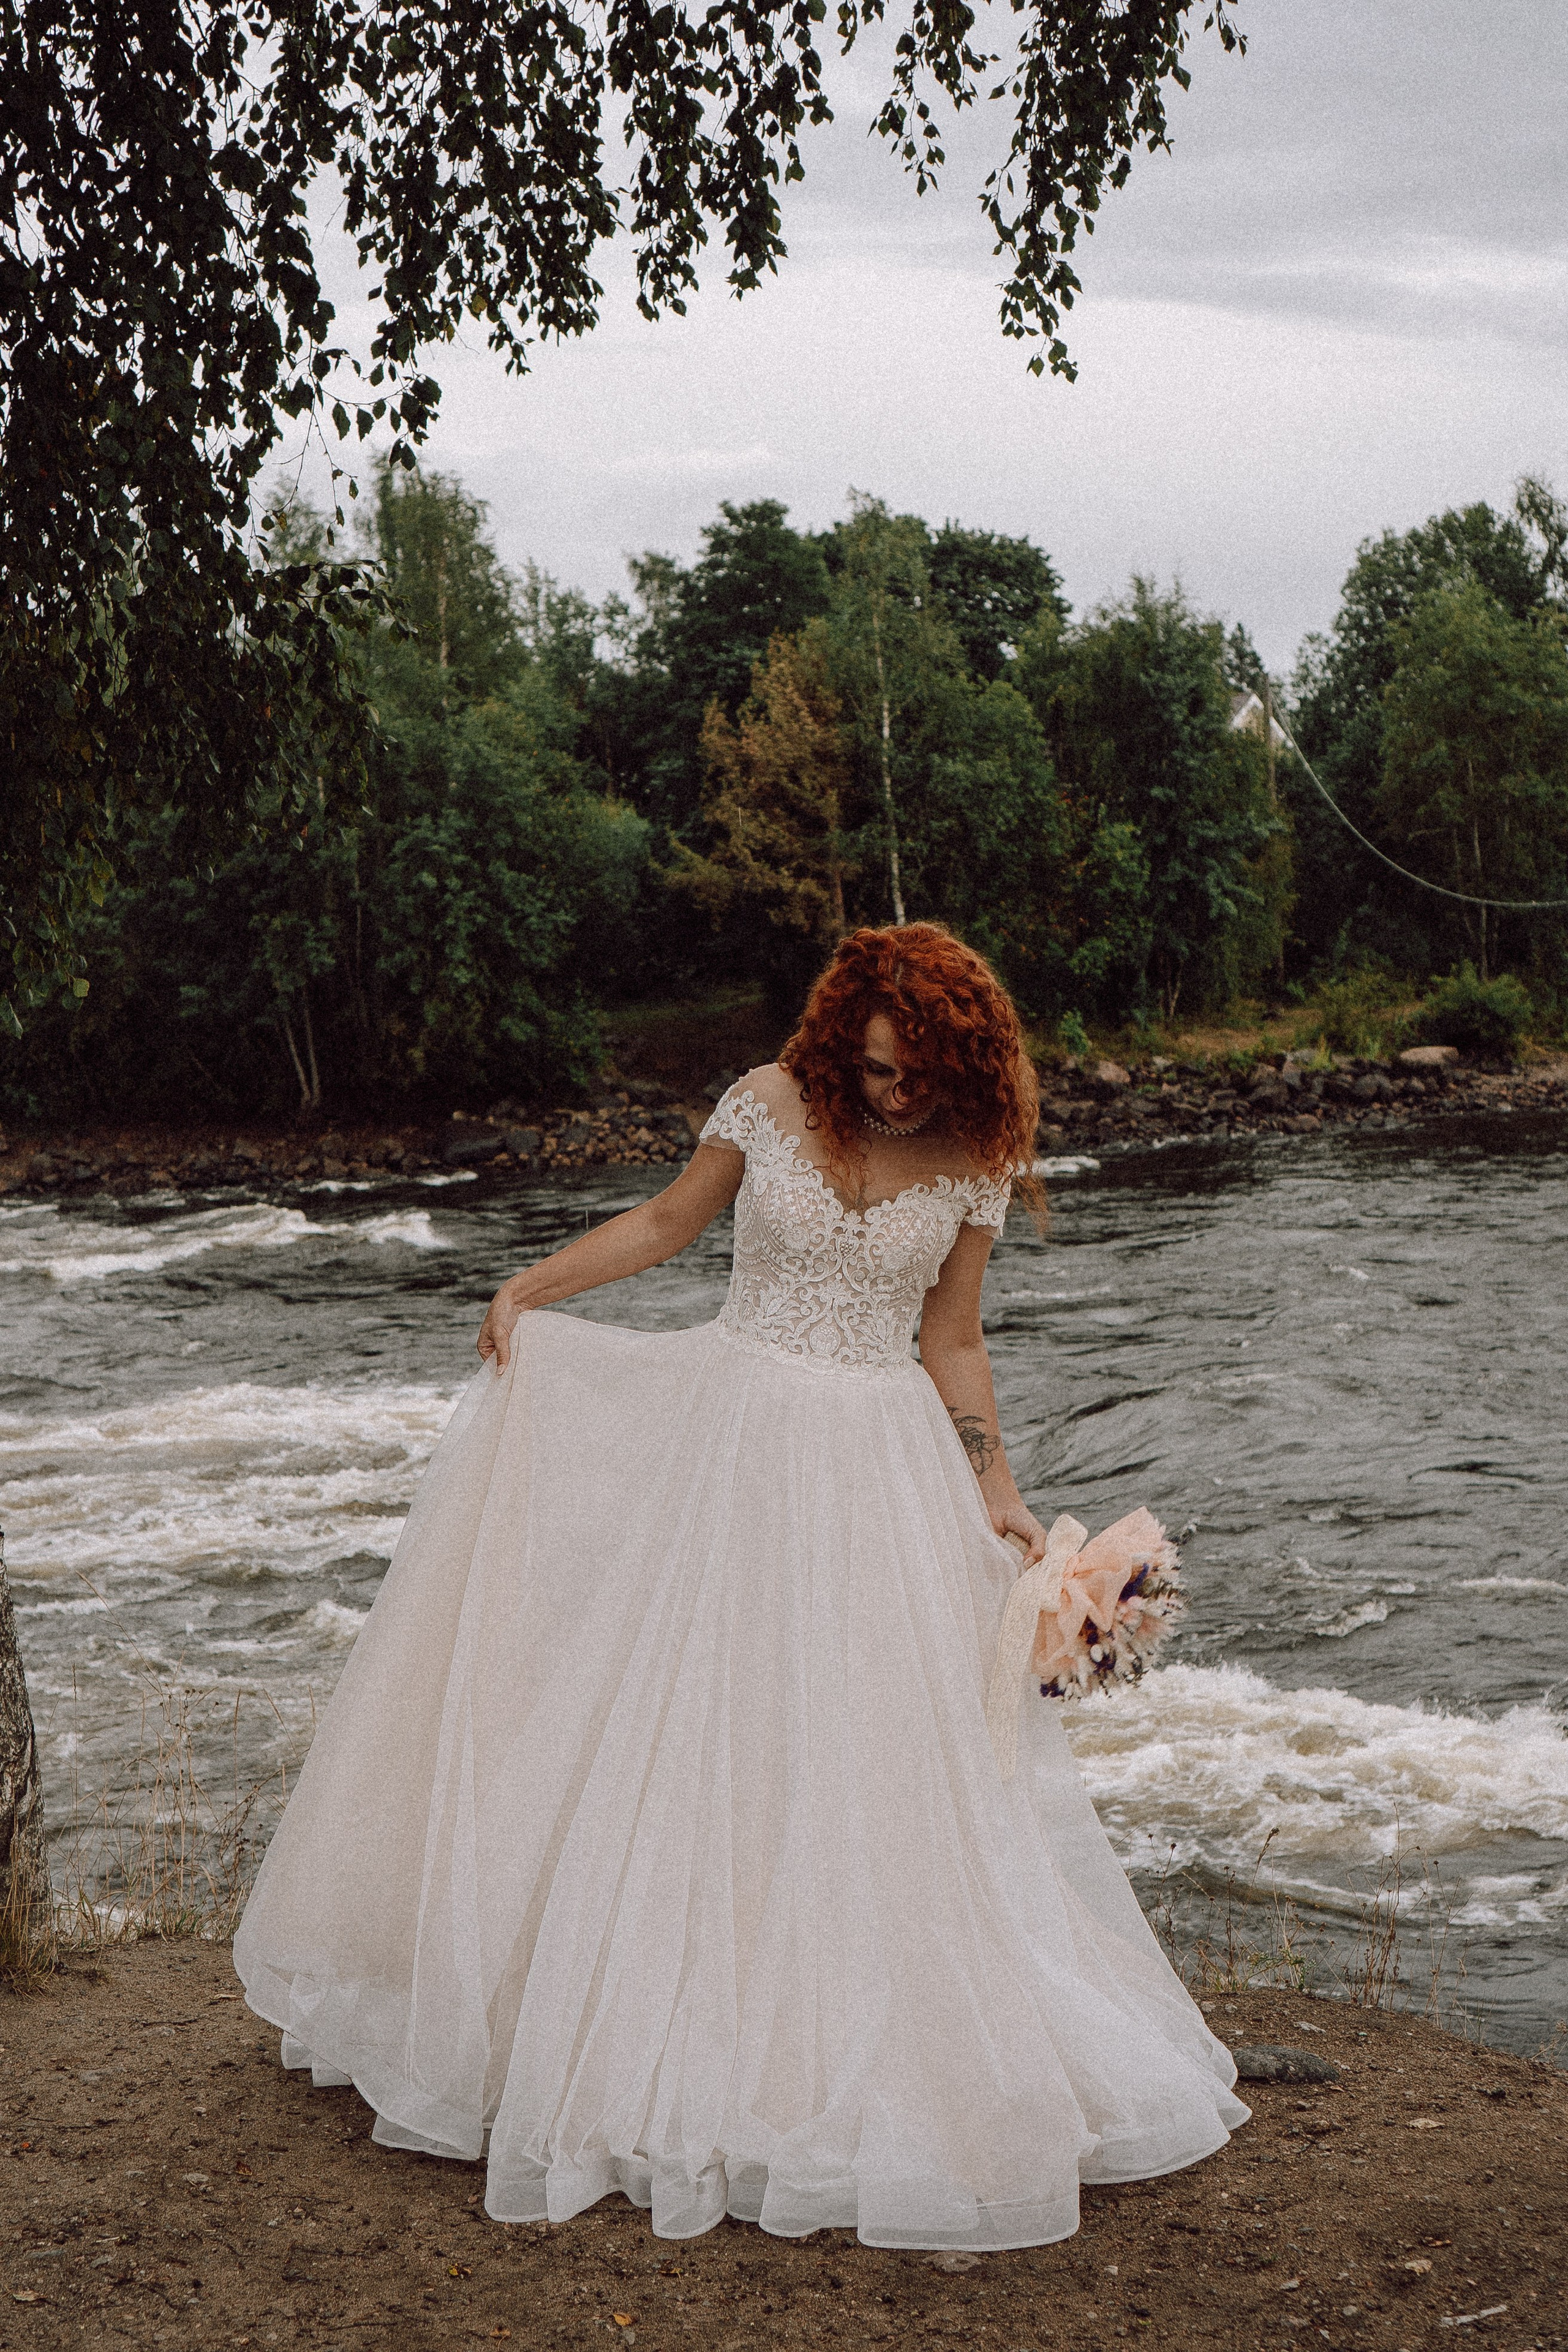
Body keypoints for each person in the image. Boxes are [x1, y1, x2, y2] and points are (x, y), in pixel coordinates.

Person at [235, 923, 1246, 2250]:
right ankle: (651, 2027)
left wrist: (992, 1487)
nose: (894, 1092)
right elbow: (667, 1221)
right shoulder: (767, 1105)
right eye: (878, 1066)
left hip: (879, 1462)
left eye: (919, 1072)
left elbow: (949, 1331)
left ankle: (840, 2022)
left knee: (863, 1751)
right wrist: (530, 1284)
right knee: (691, 1727)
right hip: (732, 1440)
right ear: (843, 1039)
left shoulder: (974, 1156)